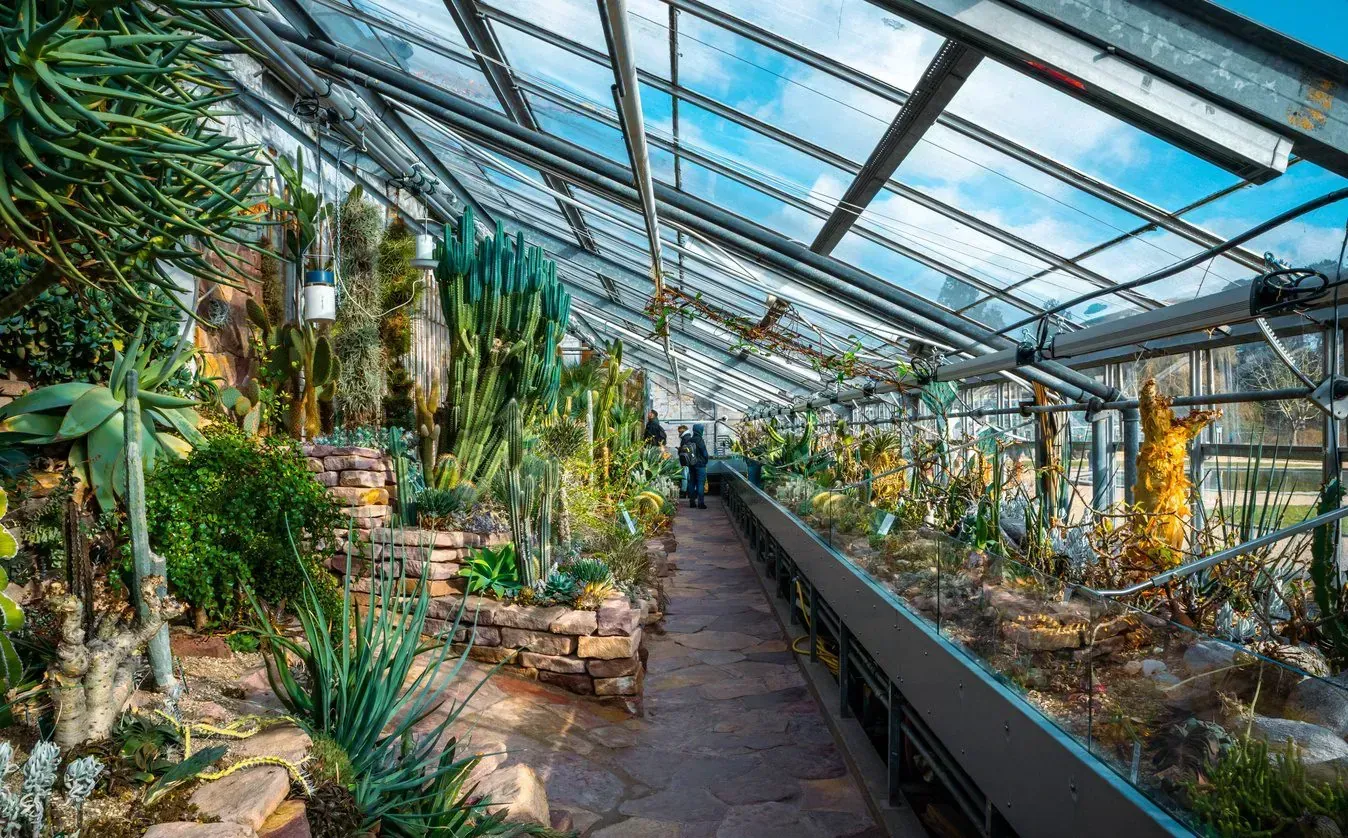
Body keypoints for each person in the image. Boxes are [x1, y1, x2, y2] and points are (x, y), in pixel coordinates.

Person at [686, 423, 710, 509]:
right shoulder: (700, 440)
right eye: (702, 429)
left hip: (691, 465)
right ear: (700, 431)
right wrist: (706, 460)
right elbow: (704, 453)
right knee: (700, 484)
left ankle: (692, 502)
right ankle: (701, 503)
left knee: (692, 482)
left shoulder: (690, 440)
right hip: (700, 465)